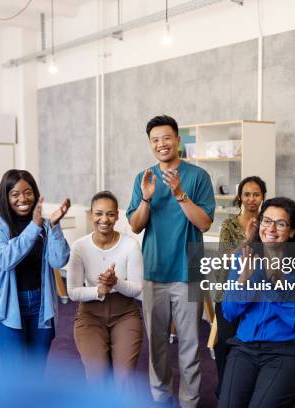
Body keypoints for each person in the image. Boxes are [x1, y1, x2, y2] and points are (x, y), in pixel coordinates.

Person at [127, 115, 215, 407]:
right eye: (155, 140)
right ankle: (161, 399)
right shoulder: (144, 178)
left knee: (190, 347)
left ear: (178, 139)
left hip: (187, 272)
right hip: (154, 271)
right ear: (151, 144)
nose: (161, 144)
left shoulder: (198, 176)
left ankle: (189, 402)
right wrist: (146, 199)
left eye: (166, 138)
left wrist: (179, 193)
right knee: (159, 346)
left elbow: (203, 224)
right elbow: (136, 226)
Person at [219, 197, 295, 408]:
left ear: (291, 231)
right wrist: (243, 281)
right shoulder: (244, 258)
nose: (271, 228)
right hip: (245, 347)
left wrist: (267, 284)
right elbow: (228, 312)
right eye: (266, 221)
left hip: (287, 351)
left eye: (280, 223)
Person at [0, 169, 71, 374]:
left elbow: (59, 260)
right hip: (10, 308)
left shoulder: (46, 224)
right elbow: (5, 260)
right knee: (14, 376)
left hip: (42, 307)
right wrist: (34, 226)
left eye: (28, 192)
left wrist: (55, 226)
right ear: (5, 197)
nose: (23, 198)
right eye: (15, 194)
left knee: (34, 376)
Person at [67, 191, 143, 391]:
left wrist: (115, 282)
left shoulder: (130, 245)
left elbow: (136, 288)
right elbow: (73, 291)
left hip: (125, 314)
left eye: (110, 214)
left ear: (117, 216)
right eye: (99, 213)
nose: (104, 219)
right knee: (97, 376)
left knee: (123, 378)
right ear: (91, 214)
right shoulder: (79, 247)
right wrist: (99, 290)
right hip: (90, 315)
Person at [215, 176, 267, 394]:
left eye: (256, 194)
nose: (251, 199)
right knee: (227, 344)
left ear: (263, 197)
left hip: (259, 295)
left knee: (255, 346)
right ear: (240, 197)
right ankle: (225, 390)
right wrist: (247, 241)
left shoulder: (268, 224)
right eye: (247, 194)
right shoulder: (229, 225)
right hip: (230, 292)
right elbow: (224, 261)